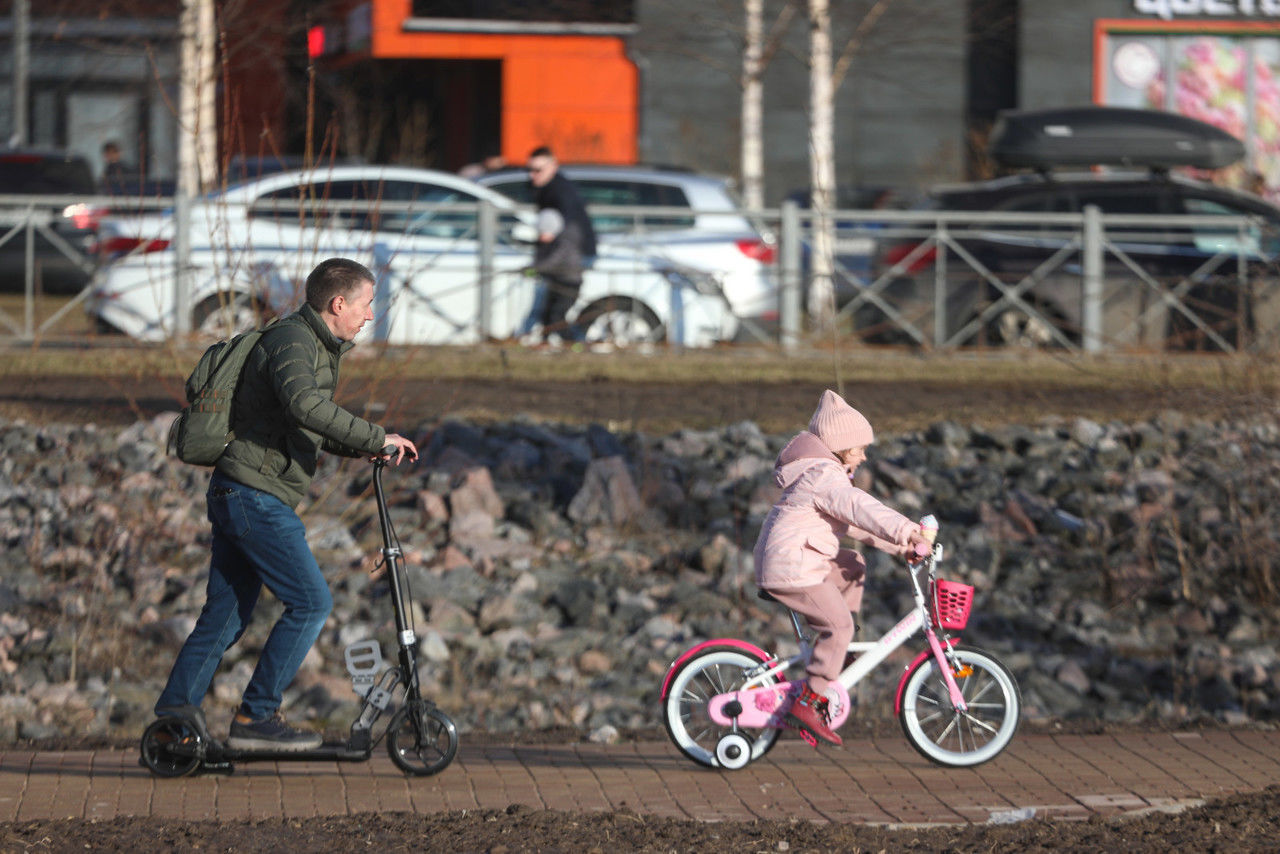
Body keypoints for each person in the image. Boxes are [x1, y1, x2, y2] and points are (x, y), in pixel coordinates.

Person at [153, 257, 418, 751]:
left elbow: (301, 422)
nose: (368, 316)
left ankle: (174, 720)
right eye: (365, 305)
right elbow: (305, 406)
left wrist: (365, 447)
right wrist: (375, 433)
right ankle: (256, 718)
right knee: (311, 601)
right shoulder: (293, 341)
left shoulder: (312, 344)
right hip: (255, 496)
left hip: (243, 492)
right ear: (339, 304)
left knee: (226, 616)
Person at [753, 389, 928, 747]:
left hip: (798, 560)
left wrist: (900, 546)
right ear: (841, 446)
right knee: (838, 624)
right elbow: (860, 507)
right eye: (860, 449)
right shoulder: (825, 477)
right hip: (791, 567)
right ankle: (811, 699)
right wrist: (909, 529)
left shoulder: (823, 476)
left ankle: (838, 651)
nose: (863, 457)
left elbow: (855, 525)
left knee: (852, 563)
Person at [521, 208, 584, 347]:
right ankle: (545, 344)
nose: (541, 235)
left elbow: (550, 263)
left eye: (545, 231)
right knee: (545, 315)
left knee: (557, 316)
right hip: (555, 283)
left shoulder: (563, 244)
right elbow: (542, 264)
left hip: (569, 285)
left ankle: (576, 344)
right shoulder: (547, 244)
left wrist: (531, 269)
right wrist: (530, 270)